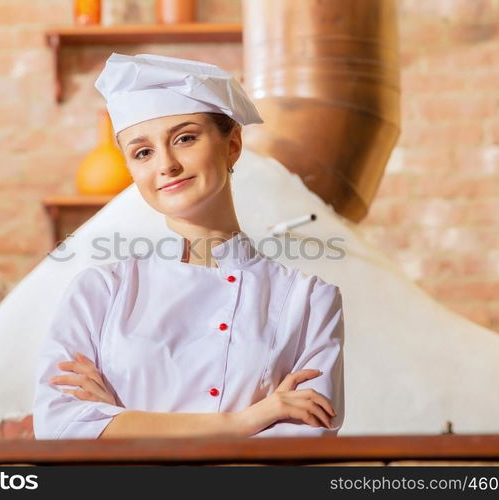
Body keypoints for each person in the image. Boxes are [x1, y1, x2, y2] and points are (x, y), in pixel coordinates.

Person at [32, 52, 345, 439]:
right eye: (142, 152)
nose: (166, 165)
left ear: (232, 145)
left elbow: (299, 450)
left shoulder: (309, 300)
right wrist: (246, 421)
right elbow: (61, 430)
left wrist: (118, 423)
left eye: (185, 138)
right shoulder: (99, 292)